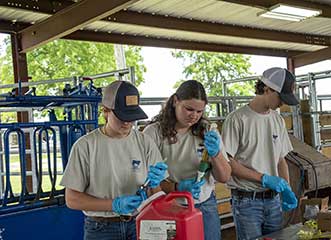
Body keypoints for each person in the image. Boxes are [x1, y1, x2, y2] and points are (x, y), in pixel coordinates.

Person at [60, 80, 168, 240]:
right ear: (105, 111)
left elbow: (156, 192)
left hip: (139, 222)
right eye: (122, 116)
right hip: (101, 228)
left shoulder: (144, 142)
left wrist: (154, 187)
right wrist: (114, 205)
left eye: (131, 117)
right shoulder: (86, 146)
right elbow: (72, 199)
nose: (127, 122)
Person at [143, 80, 231, 240]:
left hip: (204, 206)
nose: (194, 116)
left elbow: (224, 177)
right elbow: (148, 183)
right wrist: (178, 187)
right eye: (189, 109)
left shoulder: (207, 131)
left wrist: (216, 154)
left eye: (199, 111)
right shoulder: (154, 133)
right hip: (169, 206)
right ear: (176, 101)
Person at [222, 67, 299, 240]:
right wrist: (262, 177)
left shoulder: (277, 119)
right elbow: (228, 162)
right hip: (247, 201)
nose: (283, 103)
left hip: (273, 200)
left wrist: (286, 188)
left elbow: (280, 160)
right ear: (267, 89)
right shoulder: (238, 119)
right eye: (281, 97)